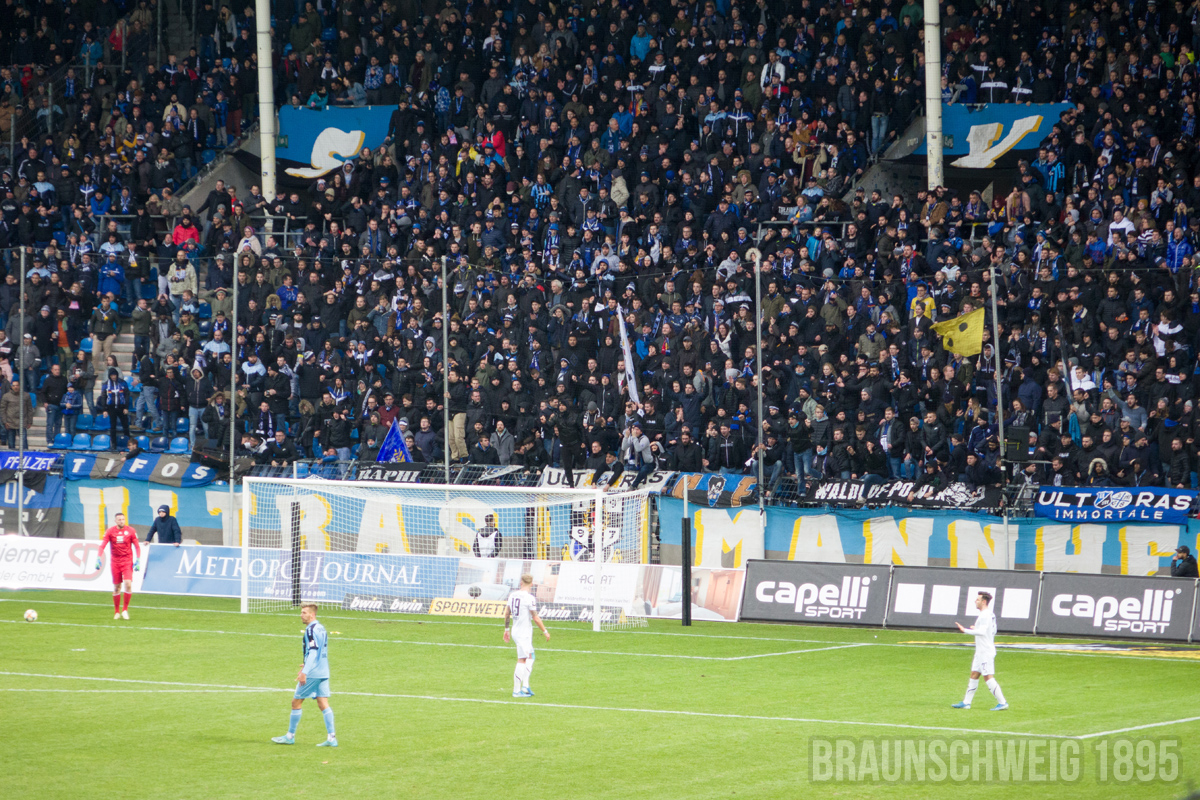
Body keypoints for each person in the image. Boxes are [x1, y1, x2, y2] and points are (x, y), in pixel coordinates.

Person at [273, 603, 338, 747]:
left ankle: (290, 736)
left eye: (304, 613)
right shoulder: (321, 628)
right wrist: (306, 663)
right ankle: (332, 738)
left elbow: (313, 651)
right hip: (323, 671)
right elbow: (319, 651)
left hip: (313, 673)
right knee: (323, 703)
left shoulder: (310, 630)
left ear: (312, 614)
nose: (301, 615)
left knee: (296, 702)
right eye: (301, 612)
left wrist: (305, 671)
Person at [951, 592, 1008, 711]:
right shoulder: (989, 614)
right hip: (980, 651)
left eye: (978, 599)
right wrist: (976, 629)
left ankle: (1002, 702)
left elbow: (982, 632)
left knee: (988, 677)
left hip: (985, 651)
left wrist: (965, 630)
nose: (975, 601)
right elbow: (992, 631)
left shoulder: (985, 615)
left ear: (984, 602)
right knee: (974, 674)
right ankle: (966, 702)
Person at [503, 573, 549, 698]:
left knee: (531, 655)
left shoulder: (512, 595)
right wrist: (545, 631)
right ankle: (516, 691)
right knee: (522, 659)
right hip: (523, 633)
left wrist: (506, 629)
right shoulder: (529, 598)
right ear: (531, 584)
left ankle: (525, 686)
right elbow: (535, 617)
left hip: (516, 630)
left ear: (521, 582)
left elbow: (507, 613)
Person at [94, 512, 141, 620]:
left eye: (123, 519)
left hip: (127, 561)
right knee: (117, 587)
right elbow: (102, 545)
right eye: (119, 519)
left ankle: (125, 610)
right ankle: (116, 611)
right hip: (115, 562)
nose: (121, 521)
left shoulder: (131, 531)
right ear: (115, 521)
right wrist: (98, 558)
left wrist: (138, 560)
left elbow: (137, 546)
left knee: (128, 584)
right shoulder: (110, 531)